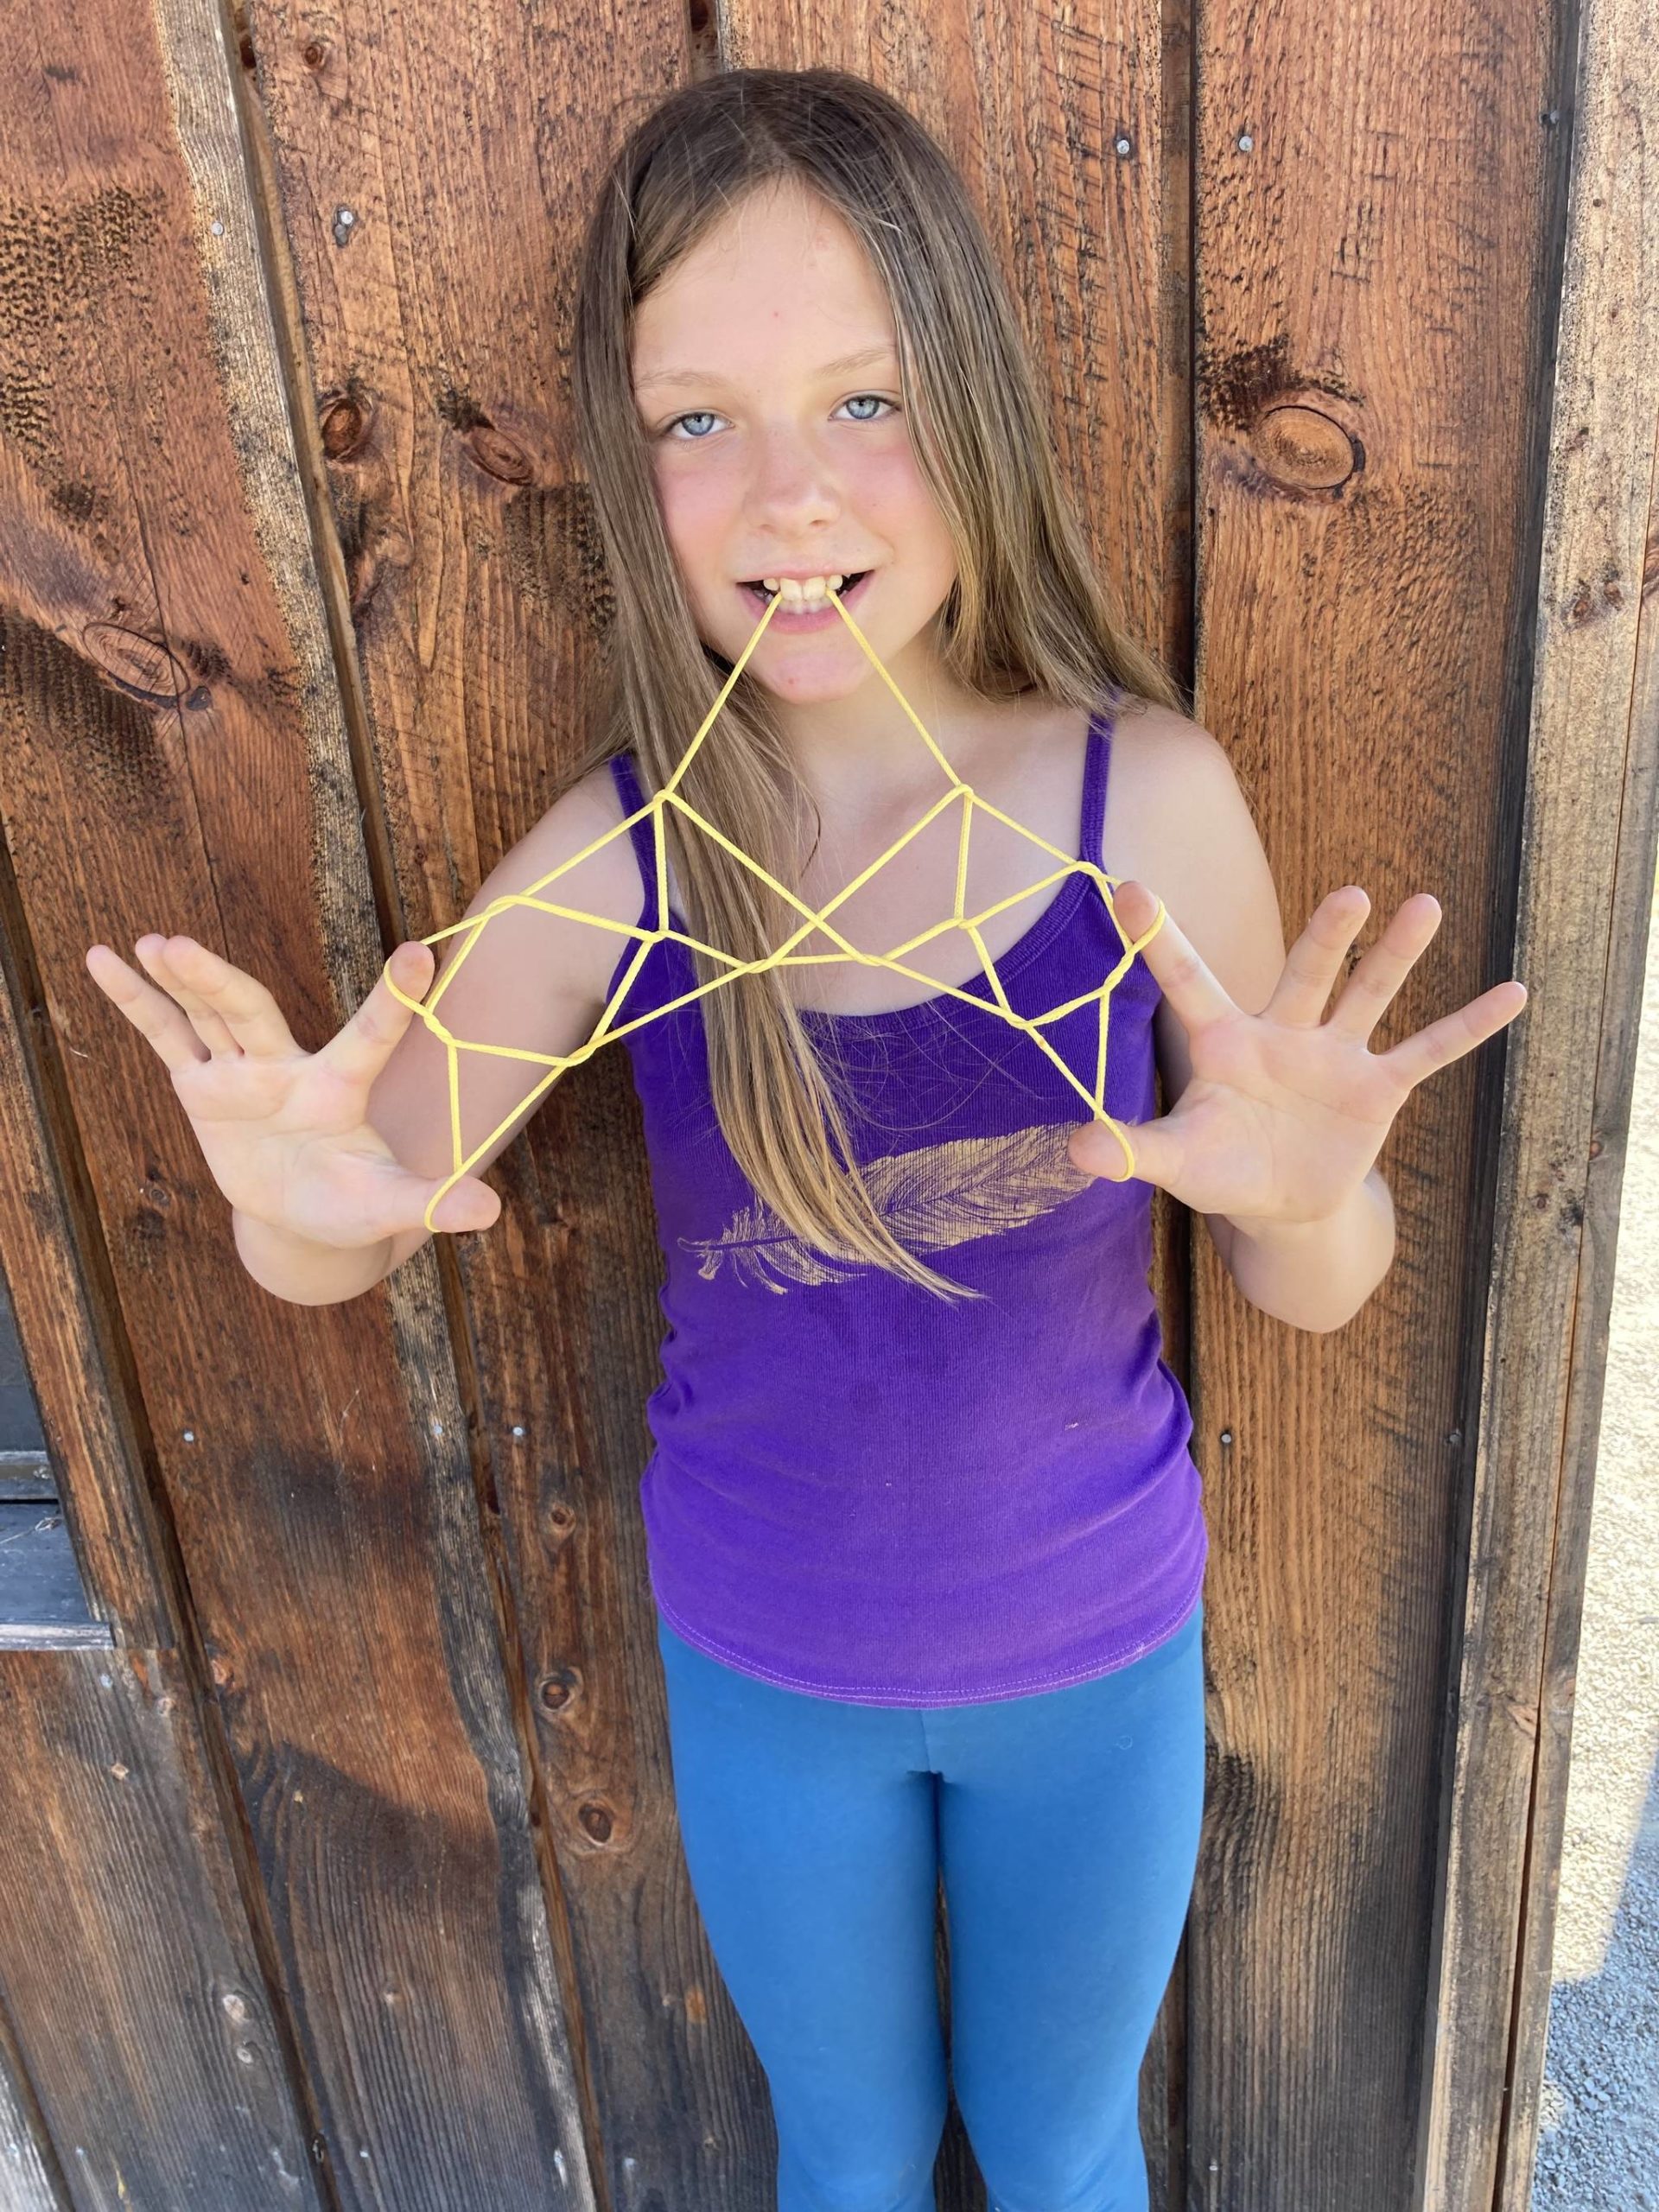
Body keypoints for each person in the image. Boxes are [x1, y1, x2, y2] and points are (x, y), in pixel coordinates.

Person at [85, 67, 1528, 2212]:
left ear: (975, 409)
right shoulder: (619, 860)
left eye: (865, 401)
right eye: (698, 420)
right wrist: (294, 1212)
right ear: (622, 458)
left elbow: (1306, 1269)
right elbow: (354, 1218)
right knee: (843, 2150)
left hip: (1096, 1650)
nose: (787, 497)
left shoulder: (1149, 805)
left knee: (1057, 2147)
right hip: (768, 1661)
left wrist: (1318, 1196)